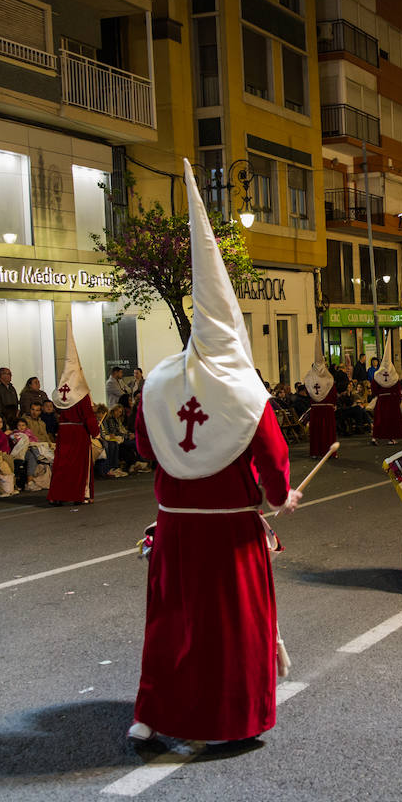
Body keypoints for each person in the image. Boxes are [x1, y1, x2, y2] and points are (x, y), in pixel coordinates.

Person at [129, 163, 300, 745]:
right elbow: (274, 459)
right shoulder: (245, 387)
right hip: (228, 533)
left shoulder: (158, 382)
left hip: (175, 529)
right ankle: (223, 718)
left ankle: (152, 713)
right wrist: (282, 496)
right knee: (229, 626)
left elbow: (143, 443)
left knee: (171, 621)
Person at [47, 321, 99, 506]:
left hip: (64, 432)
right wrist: (96, 432)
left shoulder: (62, 393)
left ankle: (58, 495)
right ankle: (80, 494)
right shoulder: (81, 394)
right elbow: (88, 416)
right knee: (79, 467)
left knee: (62, 465)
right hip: (78, 434)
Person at [303, 335, 337, 459]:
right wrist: (334, 403)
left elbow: (307, 390)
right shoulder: (328, 377)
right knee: (328, 431)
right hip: (327, 408)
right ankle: (329, 452)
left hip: (316, 409)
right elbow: (333, 392)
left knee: (316, 431)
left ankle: (316, 452)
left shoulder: (309, 377)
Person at [369, 334, 402, 446]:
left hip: (382, 400)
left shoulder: (378, 374)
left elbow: (374, 388)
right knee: (391, 420)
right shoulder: (394, 374)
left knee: (380, 419)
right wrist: (400, 399)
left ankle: (375, 437)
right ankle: (391, 438)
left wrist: (378, 395)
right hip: (392, 400)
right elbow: (398, 388)